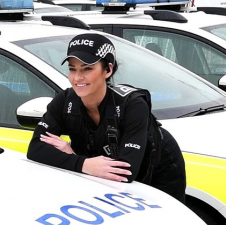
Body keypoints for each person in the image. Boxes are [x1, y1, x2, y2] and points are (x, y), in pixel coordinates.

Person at [26, 33, 186, 203]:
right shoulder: (65, 100)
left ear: (108, 70)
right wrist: (82, 163)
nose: (77, 77)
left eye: (87, 68)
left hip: (158, 168)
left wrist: (75, 158)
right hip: (102, 176)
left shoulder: (133, 105)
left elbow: (125, 172)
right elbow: (35, 148)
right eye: (73, 68)